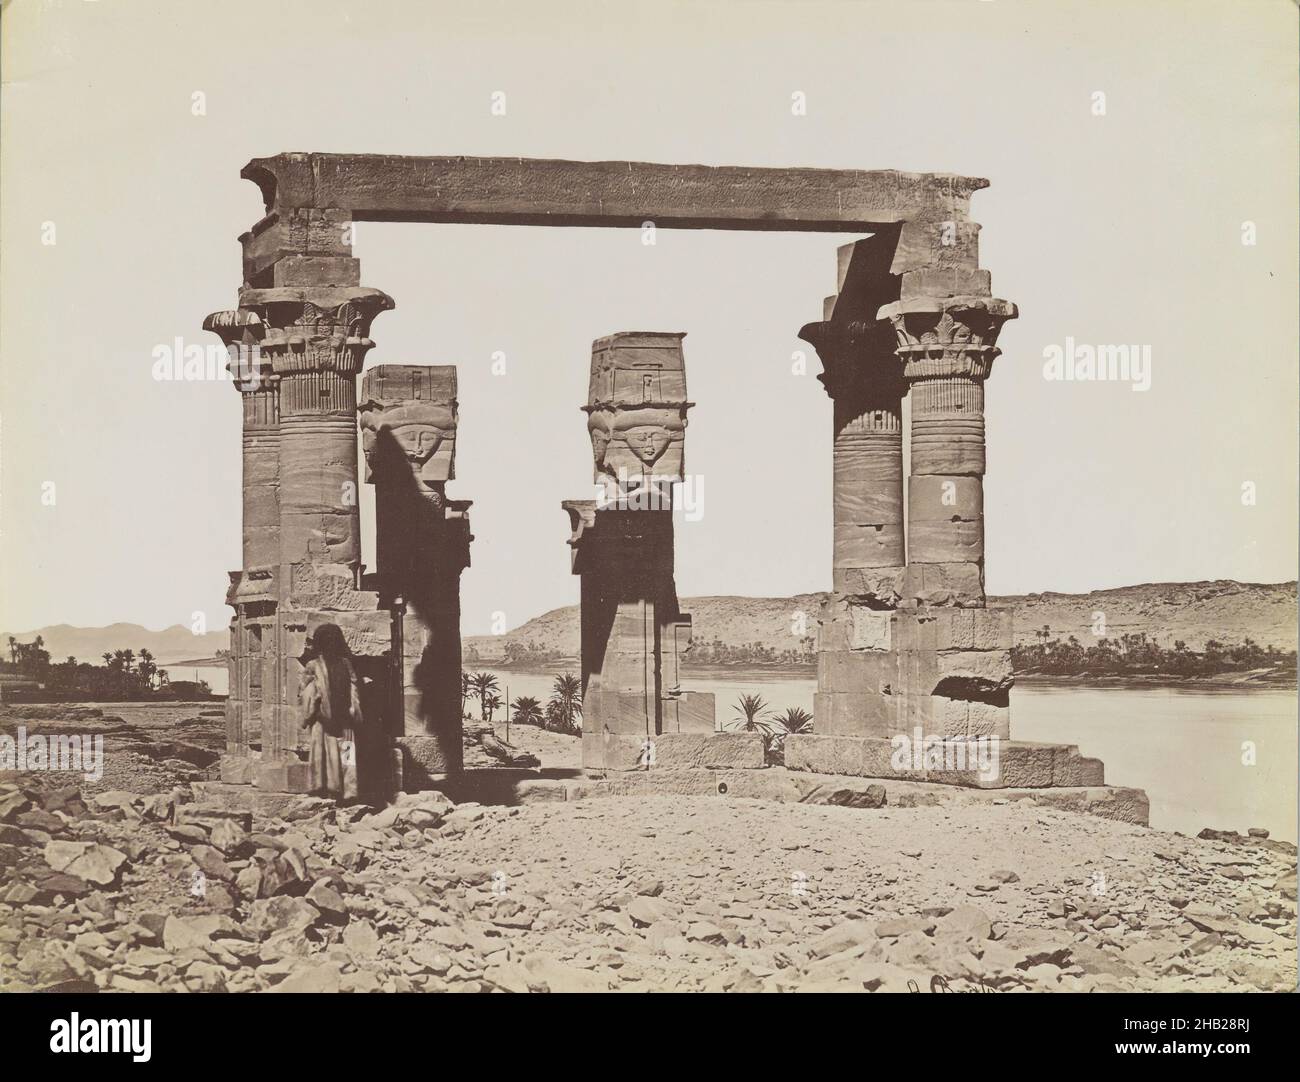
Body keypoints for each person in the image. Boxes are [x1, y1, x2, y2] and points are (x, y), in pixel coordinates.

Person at [299, 622, 362, 799]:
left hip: (345, 721)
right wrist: (314, 711)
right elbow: (305, 691)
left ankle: (349, 793)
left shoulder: (346, 663)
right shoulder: (313, 666)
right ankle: (324, 791)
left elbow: (353, 688)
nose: (330, 645)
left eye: (333, 641)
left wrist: (352, 710)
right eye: (326, 641)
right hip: (322, 720)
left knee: (347, 757)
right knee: (324, 757)